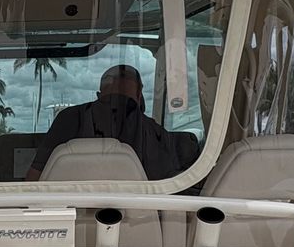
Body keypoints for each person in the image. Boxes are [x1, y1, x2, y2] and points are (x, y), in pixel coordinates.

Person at [25, 63, 186, 180]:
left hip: (67, 214)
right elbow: (171, 187)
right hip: (140, 216)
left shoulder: (68, 120)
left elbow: (35, 177)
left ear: (99, 95)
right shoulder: (155, 133)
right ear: (139, 97)